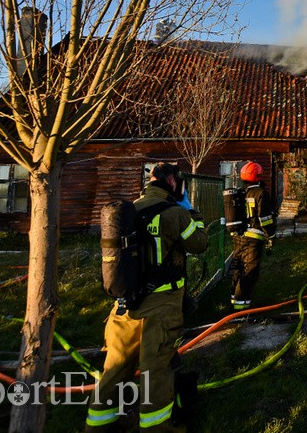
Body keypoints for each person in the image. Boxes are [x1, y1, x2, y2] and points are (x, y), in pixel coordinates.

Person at [86, 163, 208, 432]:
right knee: (156, 370)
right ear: (172, 181)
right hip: (161, 307)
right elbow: (200, 243)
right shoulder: (175, 213)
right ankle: (157, 428)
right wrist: (192, 212)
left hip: (124, 306)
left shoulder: (129, 212)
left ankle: (98, 426)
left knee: (115, 369)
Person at [229, 161, 276, 310]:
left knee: (239, 268)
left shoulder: (239, 192)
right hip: (253, 238)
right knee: (250, 271)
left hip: (238, 236)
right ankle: (242, 308)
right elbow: (265, 219)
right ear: (259, 175)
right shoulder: (260, 193)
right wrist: (271, 235)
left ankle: (234, 301)